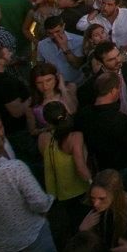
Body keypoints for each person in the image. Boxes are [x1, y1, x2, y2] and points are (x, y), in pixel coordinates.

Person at [37, 101, 91, 237]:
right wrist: (92, 183)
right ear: (66, 114)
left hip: (58, 192)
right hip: (79, 189)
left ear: (45, 120)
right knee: (86, 225)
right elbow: (80, 166)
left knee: (72, 226)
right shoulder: (75, 137)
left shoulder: (42, 138)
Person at [38, 16, 86, 84]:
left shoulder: (79, 41)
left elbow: (77, 65)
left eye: (57, 31)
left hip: (77, 83)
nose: (55, 35)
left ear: (63, 26)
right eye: (50, 33)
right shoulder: (42, 44)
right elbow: (40, 64)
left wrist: (65, 48)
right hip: (55, 86)